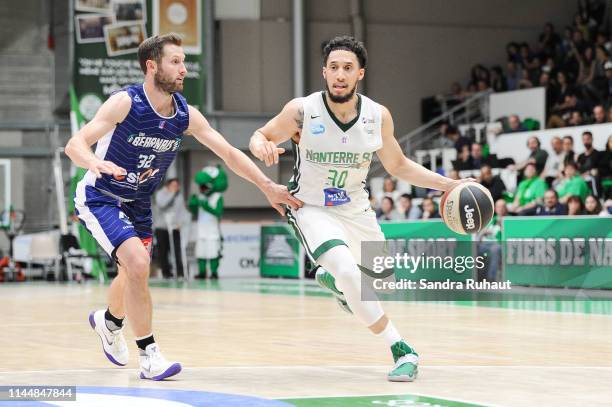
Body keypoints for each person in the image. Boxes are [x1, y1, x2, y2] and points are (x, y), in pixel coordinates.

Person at [65, 33, 301, 381]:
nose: (184, 69)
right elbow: (74, 144)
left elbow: (230, 154)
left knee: (133, 272)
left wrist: (266, 185)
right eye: (175, 61)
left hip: (139, 202)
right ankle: (149, 355)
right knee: (138, 262)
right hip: (101, 196)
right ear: (152, 66)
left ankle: (109, 322)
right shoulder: (124, 103)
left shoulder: (185, 115)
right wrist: (94, 163)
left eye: (184, 62)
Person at [248, 36, 470, 382]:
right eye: (334, 67)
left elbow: (398, 165)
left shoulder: (377, 116)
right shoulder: (303, 111)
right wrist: (262, 145)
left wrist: (449, 184)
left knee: (381, 282)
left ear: (360, 74)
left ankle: (331, 279)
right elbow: (260, 135)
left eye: (347, 68)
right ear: (324, 72)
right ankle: (402, 349)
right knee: (349, 275)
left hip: (355, 207)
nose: (340, 74)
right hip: (310, 207)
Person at [153, 178, 187, 279]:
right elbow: (162, 205)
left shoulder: (179, 195)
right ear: (168, 186)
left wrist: (180, 223)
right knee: (163, 251)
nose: (175, 188)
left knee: (177, 250)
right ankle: (166, 273)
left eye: (177, 186)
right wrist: (172, 194)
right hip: (162, 227)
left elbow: (181, 210)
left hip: (174, 227)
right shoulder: (161, 194)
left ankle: (180, 272)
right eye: (173, 186)